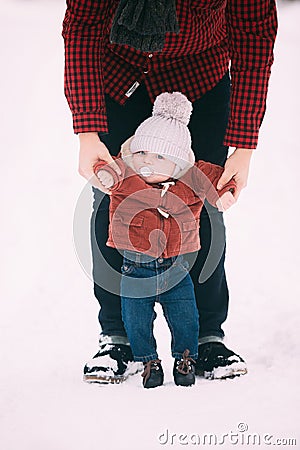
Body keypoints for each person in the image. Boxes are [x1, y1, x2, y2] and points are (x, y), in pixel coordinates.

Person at [62, 0, 278, 383]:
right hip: (117, 75)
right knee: (113, 199)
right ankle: (117, 337)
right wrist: (87, 132)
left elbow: (254, 34)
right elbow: (83, 23)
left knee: (203, 203)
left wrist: (243, 148)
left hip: (199, 77)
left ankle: (207, 336)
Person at [94, 91, 237, 388]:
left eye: (159, 157)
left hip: (176, 270)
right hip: (135, 269)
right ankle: (147, 360)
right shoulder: (127, 176)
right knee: (136, 319)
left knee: (185, 316)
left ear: (179, 164)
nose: (147, 162)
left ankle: (186, 356)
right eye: (142, 153)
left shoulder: (190, 181)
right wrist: (103, 173)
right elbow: (106, 168)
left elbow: (217, 177)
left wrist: (226, 191)